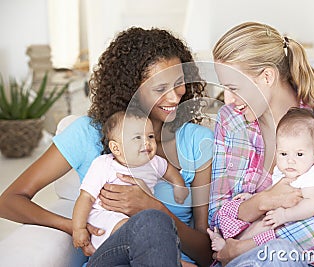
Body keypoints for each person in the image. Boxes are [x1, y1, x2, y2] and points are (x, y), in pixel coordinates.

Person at [0, 27, 214, 267]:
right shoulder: (87, 133)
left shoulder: (198, 142)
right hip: (112, 258)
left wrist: (153, 207)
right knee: (151, 223)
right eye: (160, 88)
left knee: (153, 220)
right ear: (131, 88)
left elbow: (206, 254)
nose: (175, 97)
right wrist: (77, 227)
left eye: (179, 83)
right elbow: (9, 201)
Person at [208, 22, 314, 266]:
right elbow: (217, 219)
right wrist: (264, 201)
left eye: (233, 88)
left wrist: (250, 244)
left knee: (277, 253)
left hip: (305, 261)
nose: (228, 98)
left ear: (267, 76)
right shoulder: (229, 121)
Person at [207, 107, 314, 252]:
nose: (290, 161)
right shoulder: (286, 171)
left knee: (265, 224)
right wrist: (254, 197)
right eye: (284, 153)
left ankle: (232, 247)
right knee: (255, 219)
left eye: (299, 154)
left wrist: (285, 215)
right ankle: (230, 243)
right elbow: (273, 193)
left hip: (295, 232)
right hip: (279, 219)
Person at [72, 108, 189, 250]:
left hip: (140, 224)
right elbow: (86, 197)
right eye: (137, 138)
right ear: (116, 148)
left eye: (150, 136)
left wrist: (179, 186)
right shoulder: (104, 164)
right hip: (105, 220)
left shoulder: (154, 162)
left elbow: (169, 170)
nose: (146, 142)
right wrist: (78, 228)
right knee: (132, 228)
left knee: (155, 230)